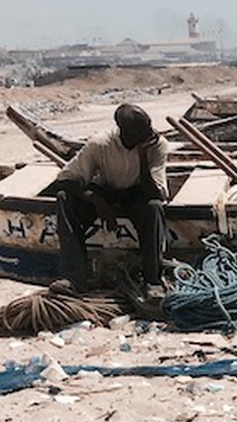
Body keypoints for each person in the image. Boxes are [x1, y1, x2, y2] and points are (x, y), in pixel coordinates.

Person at [53, 102, 167, 291]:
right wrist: (97, 201)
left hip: (137, 193)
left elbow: (155, 193)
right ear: (125, 132)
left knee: (154, 208)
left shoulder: (157, 145)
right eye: (143, 131)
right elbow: (65, 180)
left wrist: (142, 155)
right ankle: (73, 277)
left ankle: (152, 280)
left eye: (149, 127)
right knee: (65, 198)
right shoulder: (100, 144)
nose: (151, 133)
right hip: (105, 191)